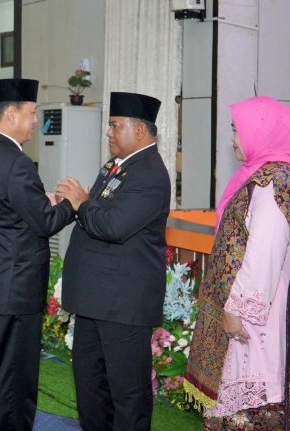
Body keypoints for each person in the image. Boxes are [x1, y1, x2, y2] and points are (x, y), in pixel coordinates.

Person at [183, 96, 290, 430]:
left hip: (254, 320)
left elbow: (264, 251)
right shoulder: (264, 176)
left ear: (262, 131)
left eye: (237, 129)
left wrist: (237, 308)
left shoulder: (273, 182)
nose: (233, 137)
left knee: (251, 410)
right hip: (257, 313)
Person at [55, 91, 171, 431]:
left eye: (115, 125)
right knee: (91, 387)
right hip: (96, 299)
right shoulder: (116, 166)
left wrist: (81, 202)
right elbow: (97, 213)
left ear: (139, 130)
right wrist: (74, 203)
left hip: (123, 304)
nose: (108, 132)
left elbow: (112, 226)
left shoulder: (149, 173)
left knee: (127, 394)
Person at [0, 78, 75, 431]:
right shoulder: (17, 162)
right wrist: (72, 204)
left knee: (8, 373)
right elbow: (46, 223)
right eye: (32, 113)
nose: (35, 121)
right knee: (18, 384)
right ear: (12, 114)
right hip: (17, 288)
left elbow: (7, 206)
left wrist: (41, 201)